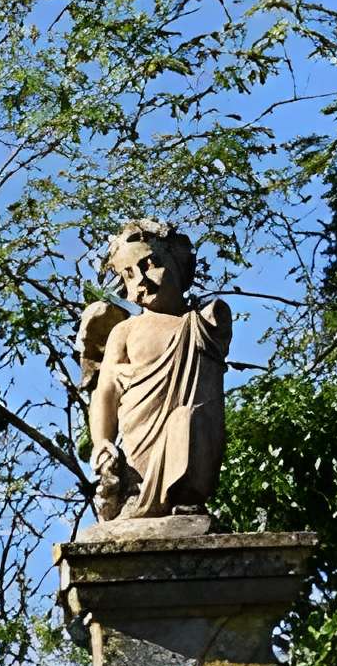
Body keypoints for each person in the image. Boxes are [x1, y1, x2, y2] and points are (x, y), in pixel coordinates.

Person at [77, 221, 230, 523]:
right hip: (139, 439)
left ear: (178, 261)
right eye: (129, 274)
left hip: (191, 438)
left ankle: (187, 497)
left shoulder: (206, 323)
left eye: (151, 264)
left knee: (187, 421)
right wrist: (103, 442)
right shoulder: (125, 331)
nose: (142, 280)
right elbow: (106, 390)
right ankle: (135, 499)